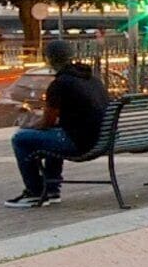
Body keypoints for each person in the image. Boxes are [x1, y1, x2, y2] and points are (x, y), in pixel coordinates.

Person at [9, 39, 112, 207]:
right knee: (54, 134)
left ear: (48, 59)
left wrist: (30, 127)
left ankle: (35, 191)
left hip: (80, 142)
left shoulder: (59, 84)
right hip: (103, 138)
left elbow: (47, 122)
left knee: (20, 139)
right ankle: (51, 189)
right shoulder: (93, 80)